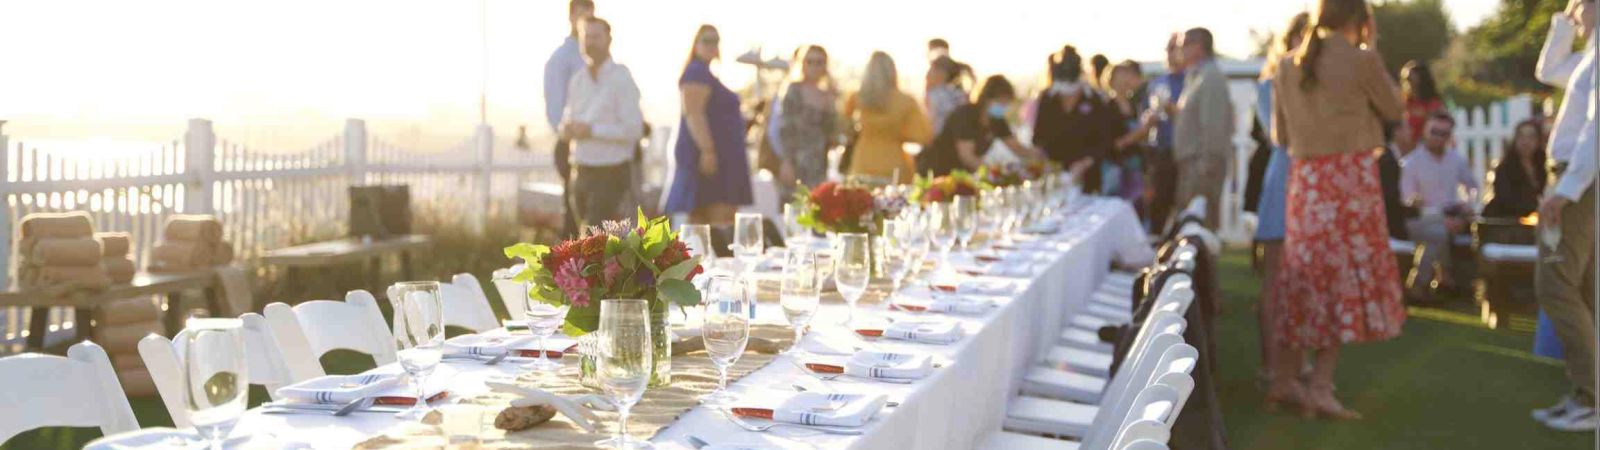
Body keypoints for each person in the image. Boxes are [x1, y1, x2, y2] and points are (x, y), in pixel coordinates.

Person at [1270, 0, 1406, 420]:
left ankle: (1284, 381)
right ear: (1356, 17)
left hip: (1306, 182)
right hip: (1348, 181)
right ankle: (1320, 387)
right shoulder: (1361, 59)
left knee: (1304, 279)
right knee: (1340, 282)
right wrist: (1371, 48)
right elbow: (1396, 109)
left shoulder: (1287, 64)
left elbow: (1280, 134)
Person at [1530, 0, 1599, 432]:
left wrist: (1566, 191)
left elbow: (1597, 129)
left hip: (1579, 183)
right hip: (1578, 182)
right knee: (1586, 290)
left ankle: (1591, 396)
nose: (1577, 7)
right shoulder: (1590, 54)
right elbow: (1548, 70)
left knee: (1554, 284)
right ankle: (1587, 395)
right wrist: (1563, 22)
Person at [1251, 10, 1310, 400]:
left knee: (1305, 279)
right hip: (1286, 176)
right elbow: (1282, 136)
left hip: (1311, 179)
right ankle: (1272, 366)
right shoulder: (1271, 82)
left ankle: (1296, 364)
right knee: (1277, 278)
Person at [664, 25, 754, 225]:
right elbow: (693, 113)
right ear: (695, 44)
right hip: (710, 159)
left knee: (710, 224)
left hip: (720, 158)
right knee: (714, 223)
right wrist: (708, 151)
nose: (711, 45)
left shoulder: (706, 73)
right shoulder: (696, 71)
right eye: (706, 40)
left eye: (715, 40)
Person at [561, 16, 643, 231]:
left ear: (609, 40)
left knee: (602, 243)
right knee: (583, 240)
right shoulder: (577, 80)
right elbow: (566, 121)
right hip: (580, 171)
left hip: (612, 173)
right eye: (586, 36)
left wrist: (593, 131)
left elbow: (634, 129)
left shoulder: (622, 77)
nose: (590, 42)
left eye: (596, 36)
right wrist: (567, 129)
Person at [1400, 112, 1479, 300]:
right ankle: (1427, 283)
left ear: (1450, 135)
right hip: (1419, 219)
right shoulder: (1411, 163)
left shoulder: (1456, 160)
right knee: (1439, 231)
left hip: (1451, 217)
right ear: (1425, 131)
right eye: (1434, 132)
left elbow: (1473, 187)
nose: (1438, 137)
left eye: (1444, 133)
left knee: (1442, 231)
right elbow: (1408, 202)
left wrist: (1467, 206)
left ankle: (1446, 281)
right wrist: (1444, 218)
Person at [1173, 27, 1236, 230]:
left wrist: (1206, 165)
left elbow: (1214, 125)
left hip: (1201, 167)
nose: (1179, 51)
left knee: (1201, 228)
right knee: (1190, 227)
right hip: (1192, 165)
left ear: (1198, 47)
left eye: (1183, 46)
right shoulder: (1196, 76)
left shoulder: (1211, 78)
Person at [919, 75, 1045, 175]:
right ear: (986, 98)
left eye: (1006, 101)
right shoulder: (966, 114)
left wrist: (1039, 155)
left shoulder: (997, 121)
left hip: (963, 173)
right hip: (938, 170)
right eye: (1001, 101)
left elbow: (1017, 148)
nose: (1004, 105)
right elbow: (967, 156)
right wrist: (994, 173)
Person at [1032, 45, 1118, 190]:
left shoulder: (1093, 99)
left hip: (1089, 176)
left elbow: (1106, 140)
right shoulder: (1047, 99)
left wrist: (1086, 162)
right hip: (1055, 176)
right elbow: (1038, 137)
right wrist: (1045, 163)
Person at [544, 0, 594, 237]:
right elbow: (555, 111)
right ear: (571, 16)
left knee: (593, 218)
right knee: (574, 219)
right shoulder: (562, 58)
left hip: (596, 148)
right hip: (570, 146)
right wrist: (570, 134)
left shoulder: (596, 58)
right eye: (582, 14)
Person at [843, 51, 932, 184]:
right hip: (893, 162)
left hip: (862, 160)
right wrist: (898, 134)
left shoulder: (856, 97)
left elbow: (843, 125)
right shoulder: (906, 101)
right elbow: (923, 136)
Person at [777, 45, 839, 195]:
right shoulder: (793, 91)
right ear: (802, 64)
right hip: (796, 162)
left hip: (818, 164)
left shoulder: (827, 95)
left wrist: (830, 104)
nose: (814, 67)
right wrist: (786, 162)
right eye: (809, 62)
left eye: (819, 62)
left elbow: (832, 134)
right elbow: (785, 129)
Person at [1146, 34, 1188, 232]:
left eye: (1175, 48)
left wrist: (1173, 110)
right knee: (1159, 205)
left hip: (1185, 153)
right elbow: (1148, 112)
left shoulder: (1192, 80)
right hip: (1161, 151)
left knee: (1184, 206)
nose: (1171, 54)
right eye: (1168, 49)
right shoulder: (1157, 82)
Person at [1105, 60, 1158, 204]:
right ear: (1111, 80)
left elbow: (1143, 141)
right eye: (1120, 76)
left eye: (1127, 75)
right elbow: (1111, 145)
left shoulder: (1135, 105)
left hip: (1137, 169)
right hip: (1117, 172)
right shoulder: (1107, 107)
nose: (1124, 80)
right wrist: (1141, 131)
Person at [1482, 119, 1548, 218]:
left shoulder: (1543, 167)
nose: (1525, 142)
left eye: (1531, 137)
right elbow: (1506, 201)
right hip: (1506, 223)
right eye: (1521, 137)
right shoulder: (1504, 169)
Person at [1378, 122, 1418, 240]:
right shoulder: (1387, 160)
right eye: (1407, 128)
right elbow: (1390, 198)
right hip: (1393, 229)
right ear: (1397, 132)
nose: (1411, 132)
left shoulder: (1394, 158)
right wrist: (1413, 210)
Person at [925, 55, 974, 135]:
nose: (927, 74)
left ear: (941, 73)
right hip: (957, 139)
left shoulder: (935, 94)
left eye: (931, 70)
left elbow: (930, 121)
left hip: (940, 139)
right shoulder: (959, 93)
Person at [1400, 60, 1445, 140]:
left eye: (1411, 80)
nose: (1409, 84)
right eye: (1407, 80)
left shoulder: (1433, 103)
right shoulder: (1404, 101)